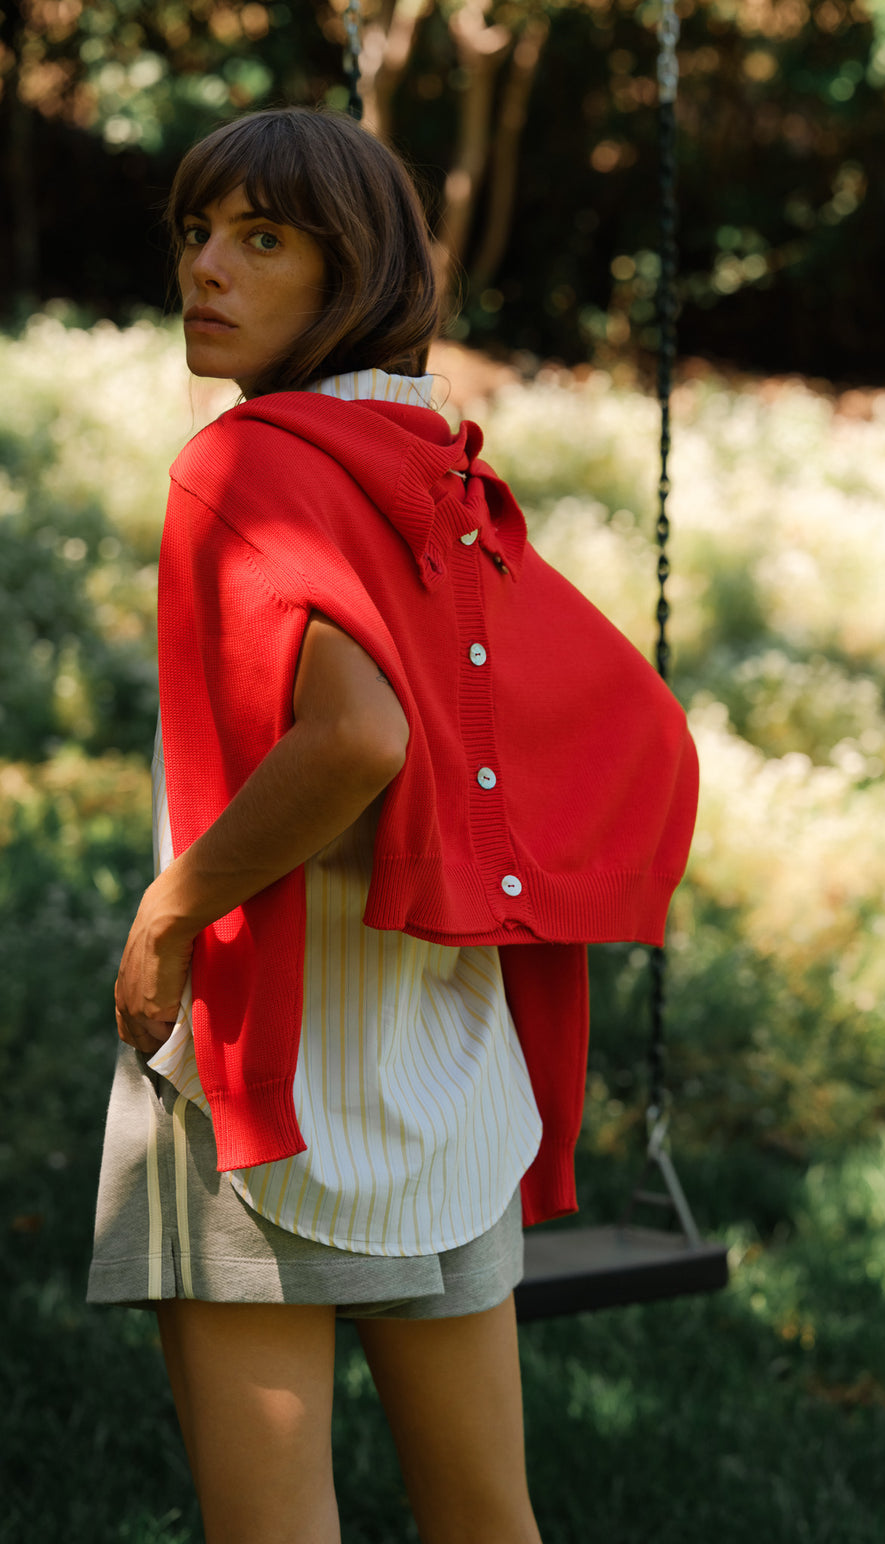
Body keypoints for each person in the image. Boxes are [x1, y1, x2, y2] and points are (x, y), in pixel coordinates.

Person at [87, 105, 698, 1544]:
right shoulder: (449, 477)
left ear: (351, 267)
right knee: (489, 1518)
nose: (209, 271)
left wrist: (171, 910)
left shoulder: (240, 464)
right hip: (445, 1077)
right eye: (196, 232)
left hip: (267, 1074)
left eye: (263, 237)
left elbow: (356, 739)